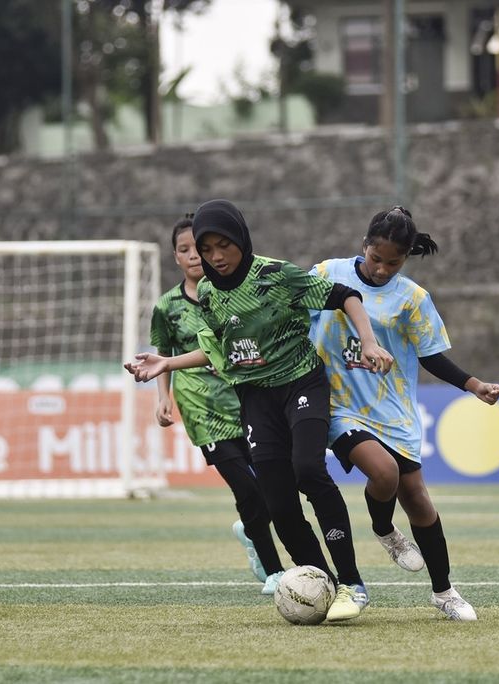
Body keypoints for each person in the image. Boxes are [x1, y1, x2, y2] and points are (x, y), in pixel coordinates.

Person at [126, 199, 394, 622]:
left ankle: (352, 582)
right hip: (255, 397)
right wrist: (168, 363)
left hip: (302, 384)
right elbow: (215, 352)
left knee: (307, 469)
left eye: (224, 246)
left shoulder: (275, 275)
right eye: (207, 248)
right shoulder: (210, 294)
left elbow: (347, 296)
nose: (215, 257)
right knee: (279, 504)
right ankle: (320, 582)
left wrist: (369, 340)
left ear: (242, 240)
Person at [310, 206, 499, 621]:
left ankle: (445, 593)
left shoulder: (412, 298)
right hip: (339, 405)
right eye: (376, 259)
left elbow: (431, 357)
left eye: (392, 263)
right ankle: (385, 531)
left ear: (406, 258)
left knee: (417, 499)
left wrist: (475, 386)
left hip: (393, 409)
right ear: (364, 246)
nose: (381, 269)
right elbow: (293, 313)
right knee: (383, 473)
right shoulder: (328, 273)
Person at [151, 214, 285, 594]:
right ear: (175, 257)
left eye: (201, 248)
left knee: (274, 488)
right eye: (185, 249)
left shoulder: (231, 293)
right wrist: (164, 397)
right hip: (202, 409)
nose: (195, 255)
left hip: (246, 398)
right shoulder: (167, 306)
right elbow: (163, 352)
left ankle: (251, 530)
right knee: (247, 490)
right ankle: (274, 570)